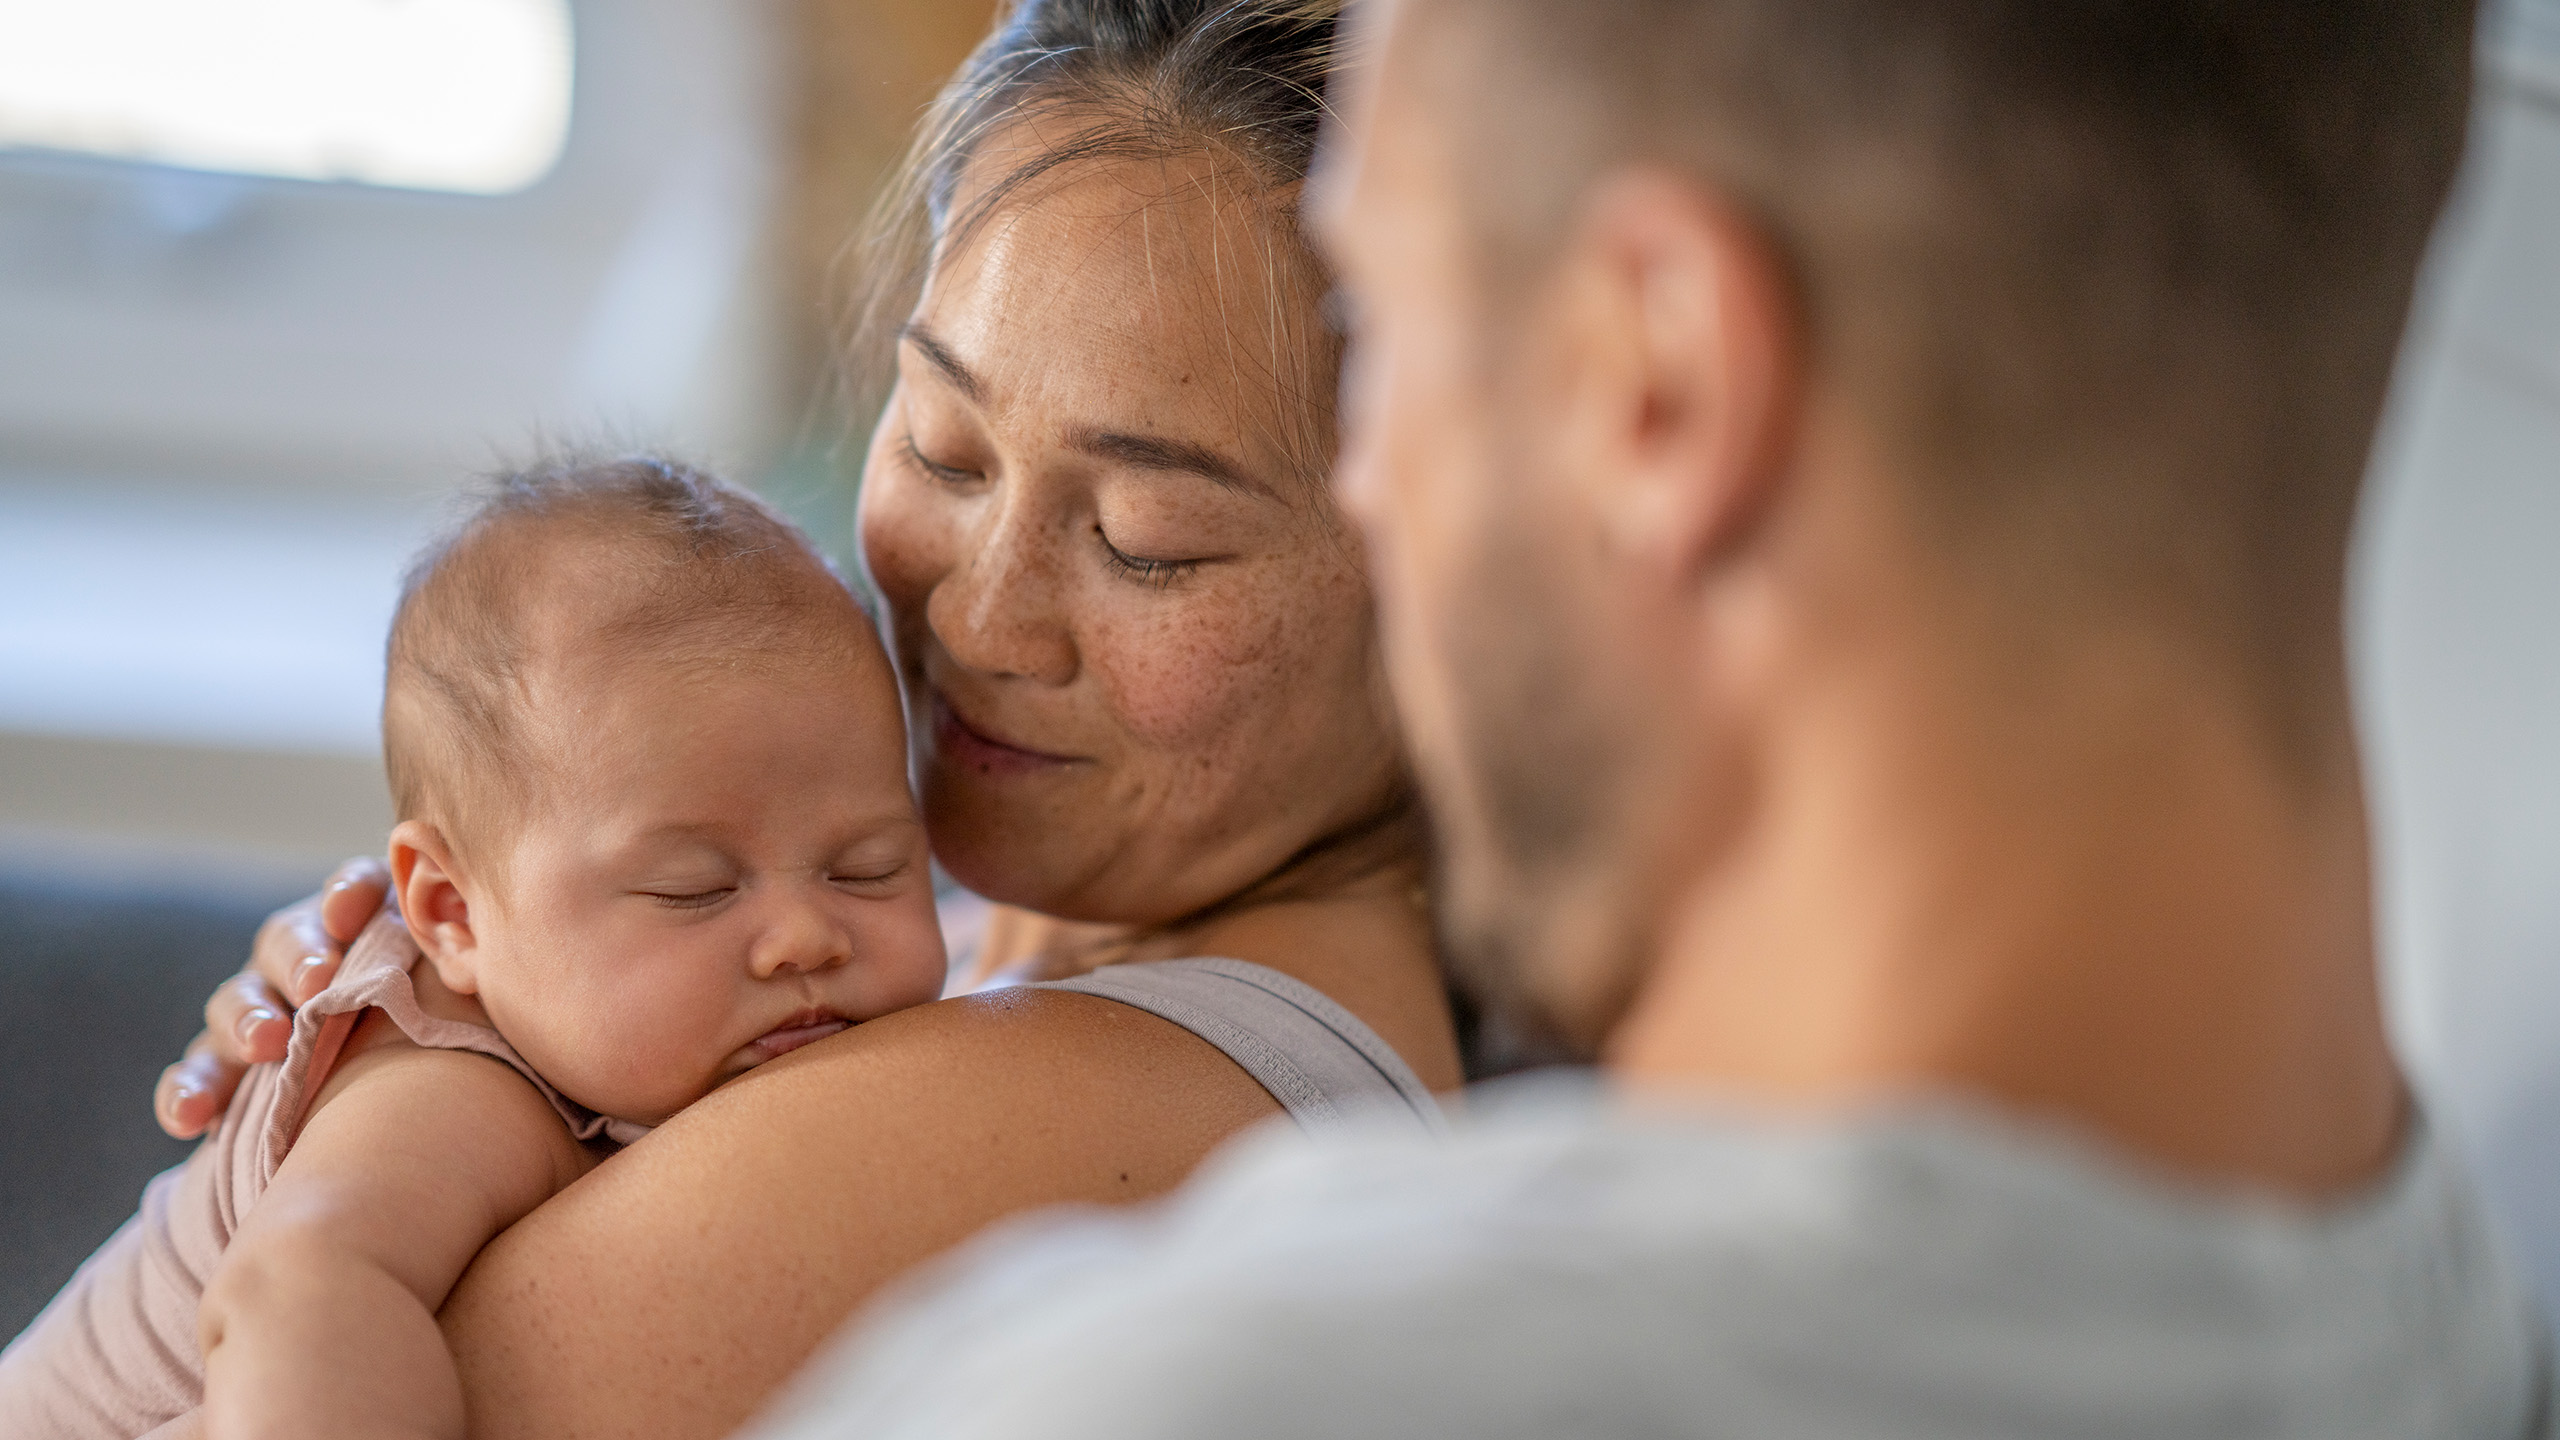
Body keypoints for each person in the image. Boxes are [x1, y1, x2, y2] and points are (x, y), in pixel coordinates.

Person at [737, 0, 2560, 1435]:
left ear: (1664, 391)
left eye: (1401, 315)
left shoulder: (1195, 1395)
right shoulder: (2429, 1292)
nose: (1376, 489)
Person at [138, 5, 1461, 1439]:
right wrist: (450, 1016)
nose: (975, 620)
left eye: (1149, 538)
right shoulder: (916, 948)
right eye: (944, 444)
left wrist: (398, 1121)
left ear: (1452, 572)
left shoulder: (1105, 1107)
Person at [1, 459, 953, 1440]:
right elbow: (297, 1291)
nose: (804, 935)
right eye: (695, 890)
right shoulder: (447, 1084)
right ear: (453, 914)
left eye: (869, 868)